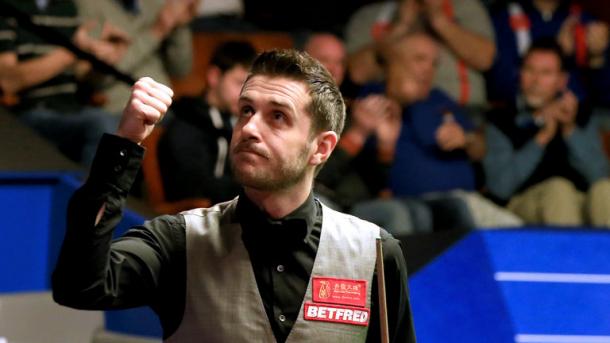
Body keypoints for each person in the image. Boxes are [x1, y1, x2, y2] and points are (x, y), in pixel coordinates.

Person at [52, 50, 417, 342]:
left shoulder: (375, 253)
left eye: (277, 116)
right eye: (246, 110)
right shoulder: (179, 240)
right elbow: (79, 287)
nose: (249, 128)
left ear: (321, 148)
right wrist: (126, 142)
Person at [376, 31, 522, 231]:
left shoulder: (439, 98)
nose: (428, 68)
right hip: (421, 205)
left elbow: (480, 149)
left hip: (467, 201)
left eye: (434, 63)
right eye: (419, 59)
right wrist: (400, 97)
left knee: (523, 238)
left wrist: (467, 138)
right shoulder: (373, 97)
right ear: (394, 62)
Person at [484, 39, 610, 226]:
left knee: (604, 190)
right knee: (559, 190)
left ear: (562, 81)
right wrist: (542, 137)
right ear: (520, 74)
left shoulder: (579, 116)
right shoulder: (501, 119)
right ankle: (569, 255)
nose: (535, 81)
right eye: (529, 70)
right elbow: (500, 188)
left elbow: (599, 175)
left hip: (578, 201)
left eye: (546, 73)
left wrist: (569, 130)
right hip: (526, 203)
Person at [302, 32, 413, 236]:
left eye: (340, 62)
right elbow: (315, 177)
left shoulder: (351, 111)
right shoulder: (293, 108)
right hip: (309, 199)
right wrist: (358, 134)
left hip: (350, 204)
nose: (334, 70)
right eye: (325, 60)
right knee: (320, 209)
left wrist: (386, 146)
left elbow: (377, 186)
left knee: (398, 211)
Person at [0, 0, 124, 165]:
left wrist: (102, 61)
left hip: (72, 108)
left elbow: (81, 74)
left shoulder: (66, 6)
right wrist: (72, 52)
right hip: (30, 112)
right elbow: (8, 81)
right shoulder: (7, 7)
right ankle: (91, 191)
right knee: (100, 123)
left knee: (125, 124)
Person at [344, 0, 496, 115]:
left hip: (462, 112)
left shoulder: (467, 7)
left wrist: (439, 20)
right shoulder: (371, 15)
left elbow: (485, 60)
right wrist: (401, 25)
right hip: (385, 110)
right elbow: (357, 73)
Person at [157, 41, 257, 205]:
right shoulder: (188, 122)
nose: (246, 93)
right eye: (239, 83)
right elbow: (193, 187)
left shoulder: (236, 121)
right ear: (214, 77)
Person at [75, 0, 196, 115]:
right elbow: (98, 77)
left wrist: (180, 25)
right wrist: (156, 32)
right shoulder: (89, 6)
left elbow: (181, 71)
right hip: (122, 109)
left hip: (166, 107)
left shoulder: (153, 4)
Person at [487, 0, 609, 103]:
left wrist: (596, 59)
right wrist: (558, 52)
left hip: (576, 122)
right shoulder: (503, 18)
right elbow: (498, 85)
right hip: (514, 119)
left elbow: (603, 98)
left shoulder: (586, 23)